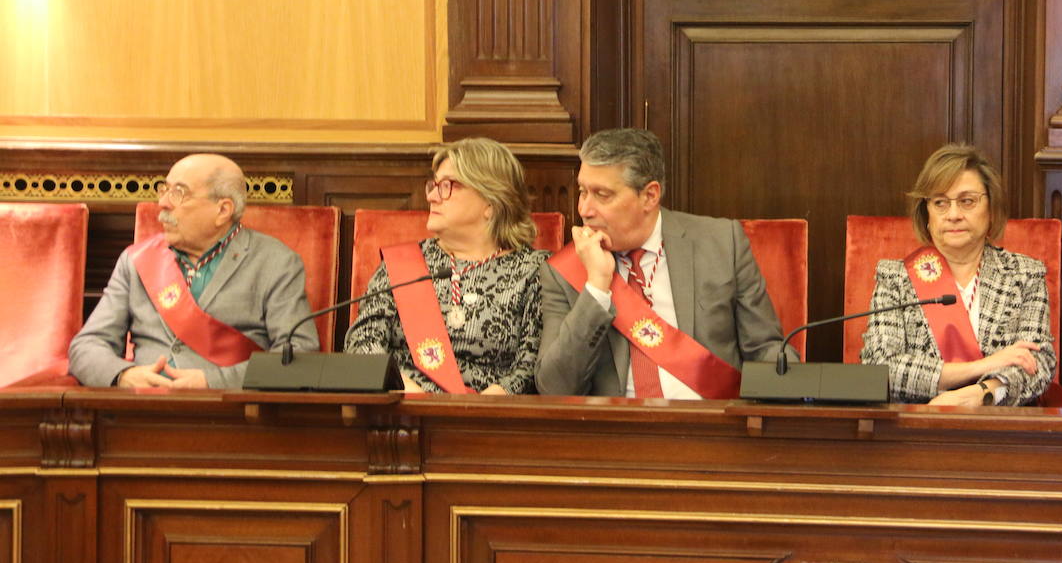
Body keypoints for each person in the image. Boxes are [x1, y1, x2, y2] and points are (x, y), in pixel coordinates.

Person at [536, 128, 792, 398]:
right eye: (583, 191)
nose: (584, 210)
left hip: (713, 428)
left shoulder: (721, 244)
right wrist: (597, 289)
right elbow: (555, 388)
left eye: (602, 195)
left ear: (649, 196)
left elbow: (765, 350)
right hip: (616, 433)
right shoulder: (564, 272)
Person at [68, 153, 317, 389]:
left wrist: (215, 381)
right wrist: (124, 375)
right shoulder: (136, 260)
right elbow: (86, 346)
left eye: (179, 192)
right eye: (164, 190)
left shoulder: (275, 262)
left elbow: (298, 355)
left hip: (230, 414)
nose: (163, 202)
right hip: (141, 410)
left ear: (222, 210)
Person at [344, 138, 548, 394]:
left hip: (486, 421)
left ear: (491, 202)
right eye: (434, 185)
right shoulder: (404, 264)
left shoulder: (533, 270)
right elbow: (363, 342)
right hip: (401, 412)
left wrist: (484, 408)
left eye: (447, 186)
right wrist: (406, 391)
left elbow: (531, 367)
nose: (431, 196)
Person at [860, 144, 1056, 406]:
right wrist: (984, 366)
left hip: (999, 426)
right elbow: (880, 369)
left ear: (991, 207)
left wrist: (983, 393)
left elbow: (1038, 363)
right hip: (915, 427)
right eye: (940, 202)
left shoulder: (1024, 275)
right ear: (926, 213)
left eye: (967, 201)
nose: (953, 215)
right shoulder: (895, 278)